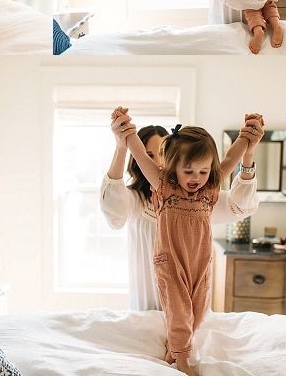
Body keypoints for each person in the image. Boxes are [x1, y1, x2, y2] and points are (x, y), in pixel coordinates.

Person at [120, 109, 259, 376]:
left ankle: (175, 346)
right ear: (172, 167)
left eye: (203, 171)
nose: (196, 177)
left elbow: (230, 158)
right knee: (180, 311)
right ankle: (182, 359)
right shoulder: (164, 187)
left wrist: (246, 136)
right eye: (189, 171)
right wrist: (127, 129)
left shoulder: (209, 190)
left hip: (200, 263)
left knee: (196, 312)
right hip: (170, 261)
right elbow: (138, 153)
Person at [101, 112, 264, 311]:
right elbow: (114, 212)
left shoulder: (203, 198)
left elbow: (240, 205)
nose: (157, 163)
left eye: (162, 154)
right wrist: (121, 146)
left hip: (192, 303)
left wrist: (248, 151)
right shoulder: (135, 201)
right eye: (150, 156)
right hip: (147, 307)